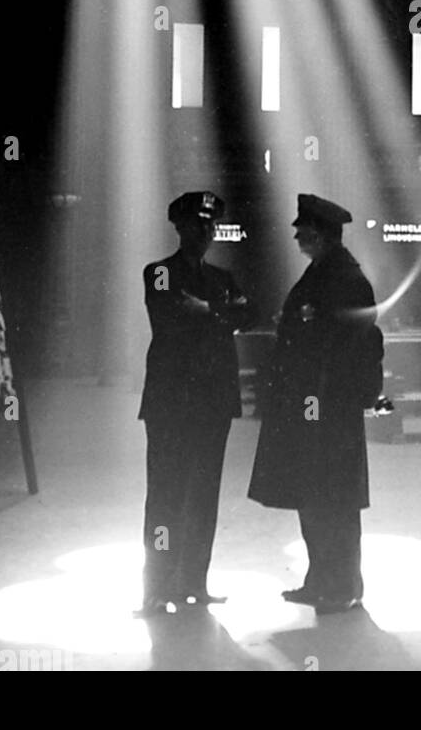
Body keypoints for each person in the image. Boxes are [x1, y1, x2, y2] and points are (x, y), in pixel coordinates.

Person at [249, 194, 382, 612]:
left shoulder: (344, 277)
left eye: (303, 232)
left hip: (328, 406)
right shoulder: (324, 272)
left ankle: (343, 585)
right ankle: (321, 578)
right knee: (315, 494)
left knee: (334, 498)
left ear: (321, 234)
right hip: (312, 403)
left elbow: (354, 343)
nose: (297, 237)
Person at [137, 191, 252, 617]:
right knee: (165, 497)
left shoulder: (221, 278)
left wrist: (204, 309)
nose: (204, 233)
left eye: (210, 226)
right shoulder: (160, 273)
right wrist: (220, 314)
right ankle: (157, 586)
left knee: (204, 496)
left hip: (212, 402)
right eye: (196, 226)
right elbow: (168, 314)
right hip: (171, 403)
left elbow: (251, 315)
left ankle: (193, 582)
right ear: (180, 228)